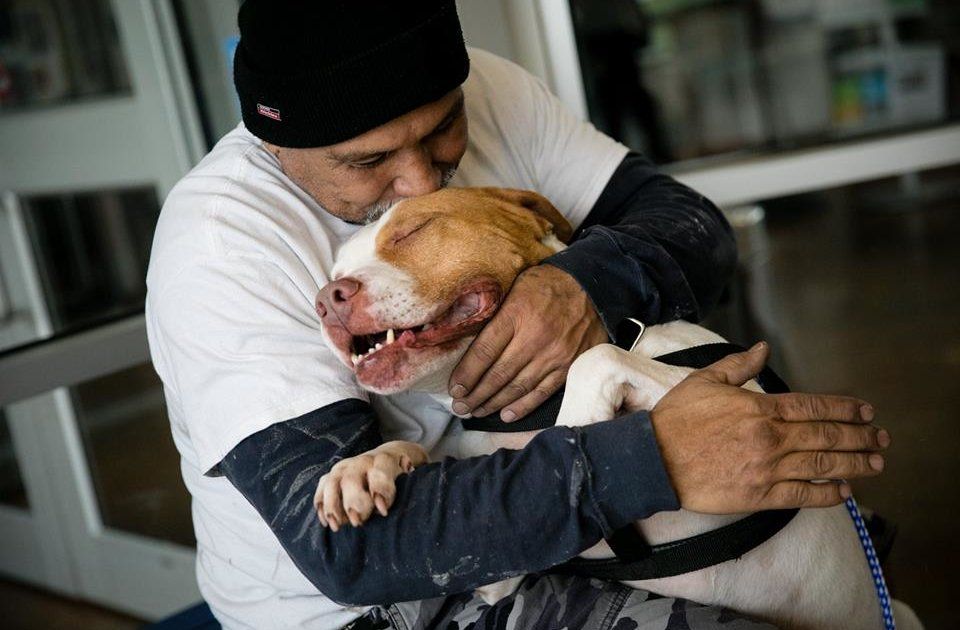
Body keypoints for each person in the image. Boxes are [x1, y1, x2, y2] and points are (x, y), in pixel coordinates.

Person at [146, 2, 889, 629]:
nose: (420, 178)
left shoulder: (489, 86)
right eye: (367, 163)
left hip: (539, 496)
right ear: (276, 141)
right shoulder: (222, 242)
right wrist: (657, 459)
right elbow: (357, 550)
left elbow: (693, 226)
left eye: (441, 129)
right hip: (377, 604)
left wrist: (583, 284)